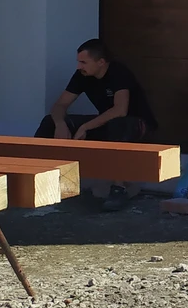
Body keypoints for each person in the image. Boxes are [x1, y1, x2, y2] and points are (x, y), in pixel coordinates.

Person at [36, 39, 159, 208]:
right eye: (78, 62)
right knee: (49, 122)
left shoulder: (118, 72)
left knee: (118, 124)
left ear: (101, 62)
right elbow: (60, 105)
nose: (79, 66)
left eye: (83, 62)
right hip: (106, 124)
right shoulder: (82, 75)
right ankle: (37, 180)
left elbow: (120, 110)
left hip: (137, 126)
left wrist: (85, 127)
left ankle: (119, 189)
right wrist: (60, 124)